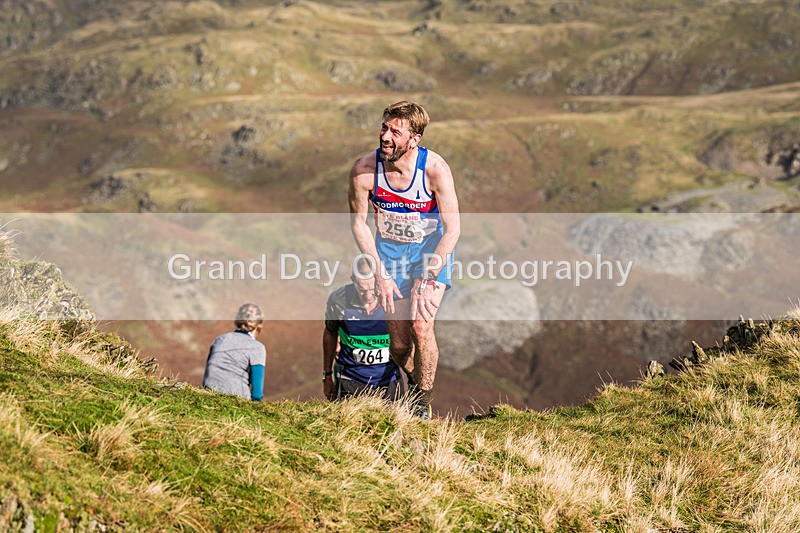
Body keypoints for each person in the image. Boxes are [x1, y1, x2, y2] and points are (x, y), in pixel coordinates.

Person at [348, 101, 460, 419]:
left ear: (415, 139)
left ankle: (421, 407)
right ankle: (414, 383)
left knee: (421, 326)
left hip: (430, 252)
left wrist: (428, 276)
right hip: (389, 256)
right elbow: (359, 224)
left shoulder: (435, 170)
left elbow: (453, 229)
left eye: (395, 132)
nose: (385, 136)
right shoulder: (364, 171)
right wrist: (379, 273)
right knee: (398, 344)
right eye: (384, 128)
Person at [323, 258, 404, 401]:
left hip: (389, 380)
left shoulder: (396, 299)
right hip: (350, 379)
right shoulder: (338, 300)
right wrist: (327, 375)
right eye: (362, 290)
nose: (367, 297)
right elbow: (330, 332)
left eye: (373, 290)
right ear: (353, 279)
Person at [202, 303, 266, 401]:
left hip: (207, 395)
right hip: (237, 399)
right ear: (258, 325)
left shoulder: (220, 340)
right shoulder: (257, 347)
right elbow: (257, 393)